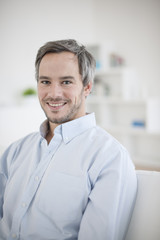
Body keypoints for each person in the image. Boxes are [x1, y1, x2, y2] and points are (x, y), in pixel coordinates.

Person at [0, 39, 137, 240]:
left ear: (87, 87)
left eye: (66, 82)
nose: (54, 94)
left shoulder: (110, 157)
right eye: (45, 81)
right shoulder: (15, 151)